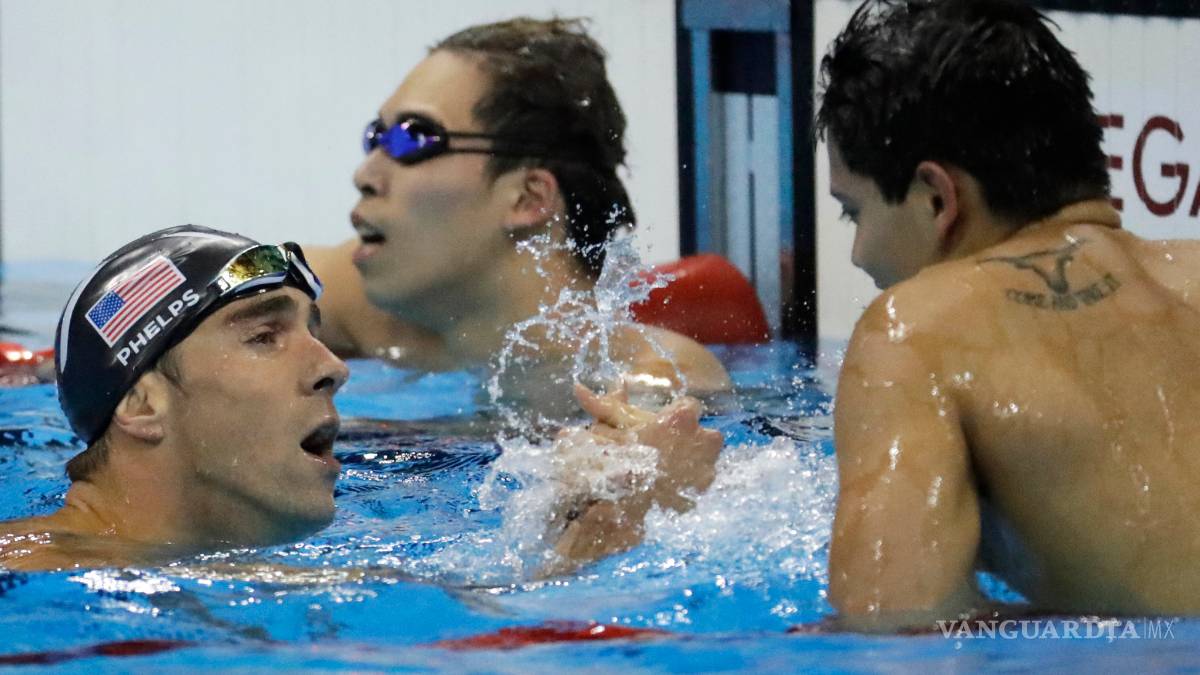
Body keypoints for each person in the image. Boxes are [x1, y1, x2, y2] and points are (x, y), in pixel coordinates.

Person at [0, 227, 721, 571]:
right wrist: (612, 530)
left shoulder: (219, 569)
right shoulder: (28, 568)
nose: (334, 368)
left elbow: (492, 623)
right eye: (263, 337)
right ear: (143, 404)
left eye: (313, 331)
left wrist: (582, 510)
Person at [816, 0, 1200, 632]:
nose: (858, 254)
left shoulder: (914, 334)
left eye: (853, 213)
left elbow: (888, 633)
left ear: (938, 197)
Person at [308, 17, 730, 414]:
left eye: (413, 137)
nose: (365, 174)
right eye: (375, 138)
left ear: (528, 199)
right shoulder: (374, 314)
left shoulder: (648, 385)